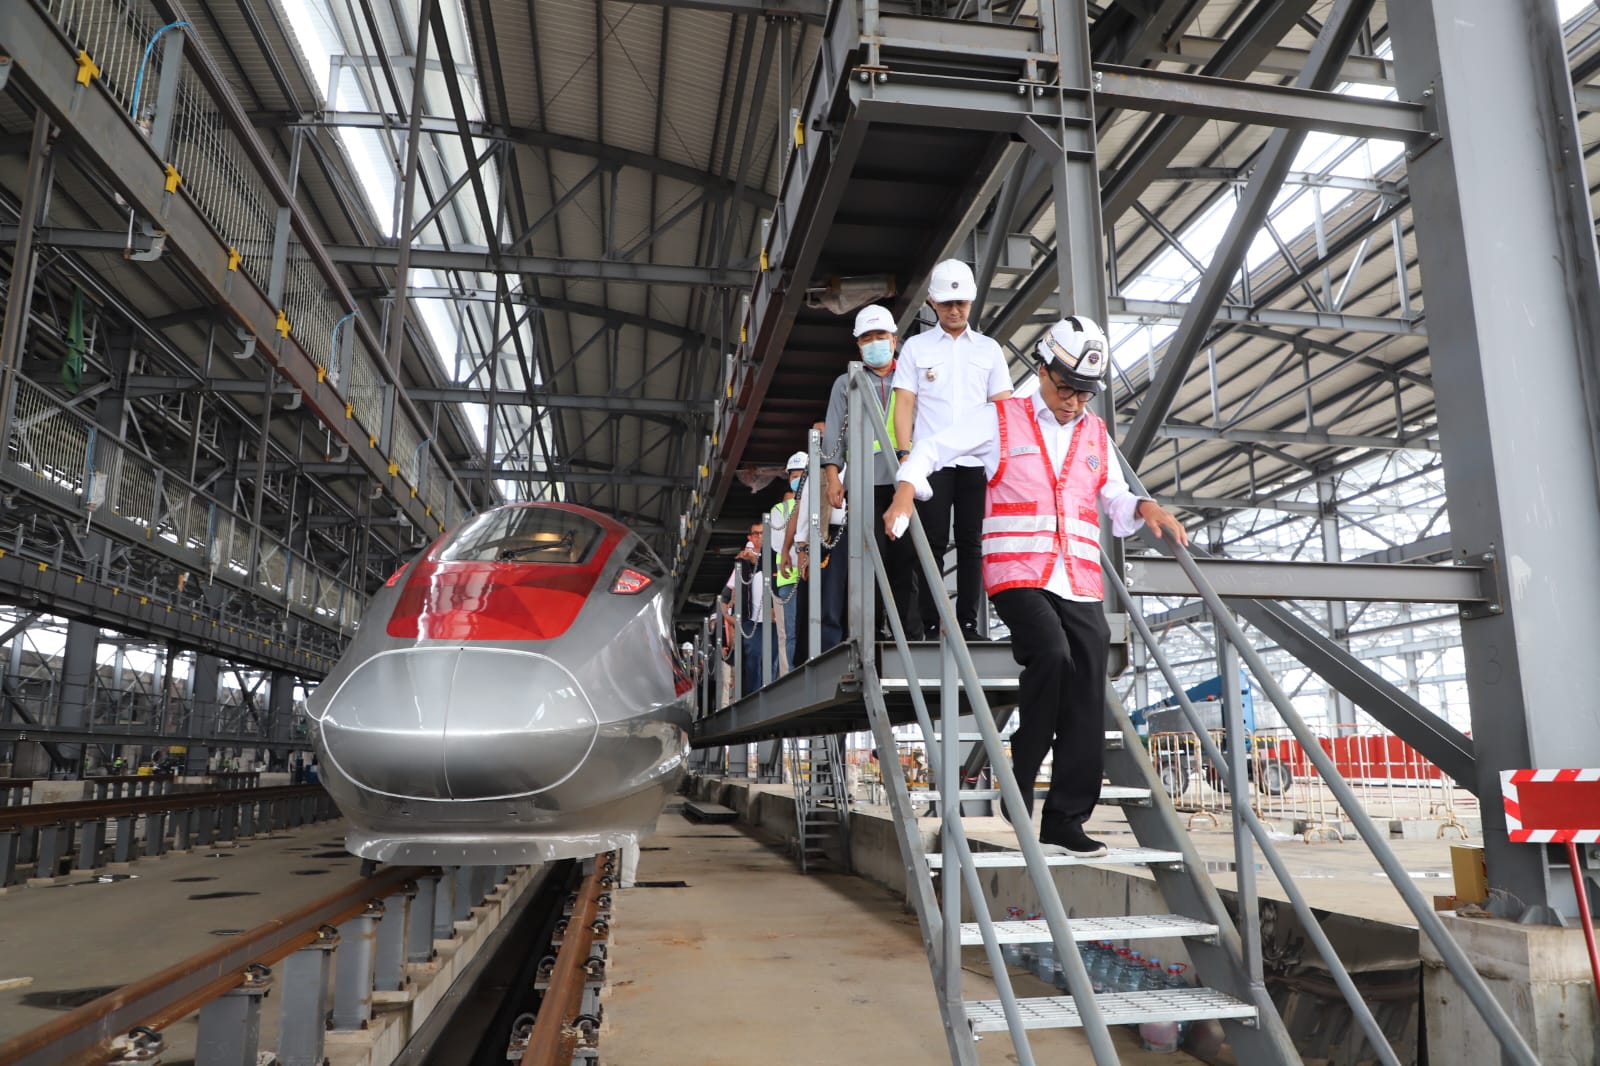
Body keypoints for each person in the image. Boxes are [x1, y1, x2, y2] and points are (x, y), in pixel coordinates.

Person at [883, 315, 1188, 857]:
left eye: (1084, 393)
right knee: (1051, 655)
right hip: (1016, 572)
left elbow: (1113, 496)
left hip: (1077, 576)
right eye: (1066, 387)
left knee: (1089, 682)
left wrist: (1144, 505)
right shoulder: (1000, 419)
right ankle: (1022, 766)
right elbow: (932, 449)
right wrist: (906, 489)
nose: (1074, 401)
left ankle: (1065, 820)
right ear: (1042, 370)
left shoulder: (1095, 431)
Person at [892, 259, 1014, 640]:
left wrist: (1005, 459)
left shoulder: (990, 350)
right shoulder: (916, 347)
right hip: (933, 462)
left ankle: (967, 623)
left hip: (978, 462)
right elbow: (905, 403)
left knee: (971, 544)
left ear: (972, 300)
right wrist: (904, 453)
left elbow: (1004, 406)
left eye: (961, 302)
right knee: (930, 543)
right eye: (947, 303)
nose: (955, 309)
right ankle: (930, 623)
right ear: (932, 302)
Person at [820, 304, 923, 641]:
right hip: (864, 482)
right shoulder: (845, 383)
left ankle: (906, 631)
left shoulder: (909, 378)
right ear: (858, 344)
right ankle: (873, 630)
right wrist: (833, 477)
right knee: (869, 557)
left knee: (905, 556)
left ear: (894, 340)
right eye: (867, 338)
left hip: (903, 479)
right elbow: (834, 430)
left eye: (881, 336)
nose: (875, 342)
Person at [722, 521, 774, 696]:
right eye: (755, 534)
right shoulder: (742, 561)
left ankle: (771, 692)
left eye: (762, 533)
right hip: (751, 620)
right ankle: (753, 694)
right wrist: (732, 618)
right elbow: (726, 594)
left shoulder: (774, 555)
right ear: (750, 537)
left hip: (772, 617)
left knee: (773, 657)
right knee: (753, 658)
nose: (759, 537)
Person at [769, 458, 806, 672]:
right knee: (791, 632)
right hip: (789, 577)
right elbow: (776, 544)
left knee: (806, 629)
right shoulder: (780, 510)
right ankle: (793, 674)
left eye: (801, 475)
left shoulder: (816, 501)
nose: (797, 480)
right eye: (793, 476)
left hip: (811, 574)